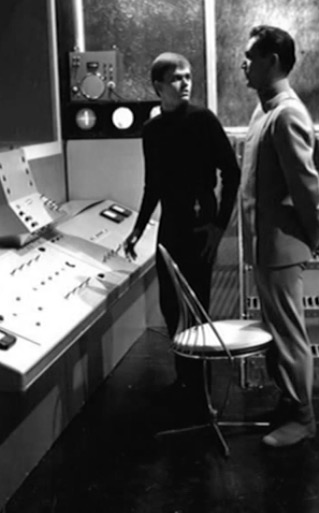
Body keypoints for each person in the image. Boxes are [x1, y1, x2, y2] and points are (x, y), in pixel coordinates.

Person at [123, 52, 241, 396]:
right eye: (177, 78)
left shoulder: (203, 120)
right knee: (171, 308)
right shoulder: (153, 130)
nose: (185, 83)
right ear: (158, 86)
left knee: (197, 308)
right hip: (171, 227)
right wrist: (138, 229)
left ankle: (199, 388)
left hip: (200, 229)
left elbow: (231, 173)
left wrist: (218, 226)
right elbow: (153, 185)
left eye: (188, 76)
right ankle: (184, 379)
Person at [239, 25, 319, 447]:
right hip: (265, 244)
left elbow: (306, 185)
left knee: (289, 335)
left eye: (250, 57)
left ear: (272, 61)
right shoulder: (265, 111)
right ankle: (288, 401)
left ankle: (303, 417)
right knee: (276, 334)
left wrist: (315, 232)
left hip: (281, 246)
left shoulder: (287, 114)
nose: (242, 64)